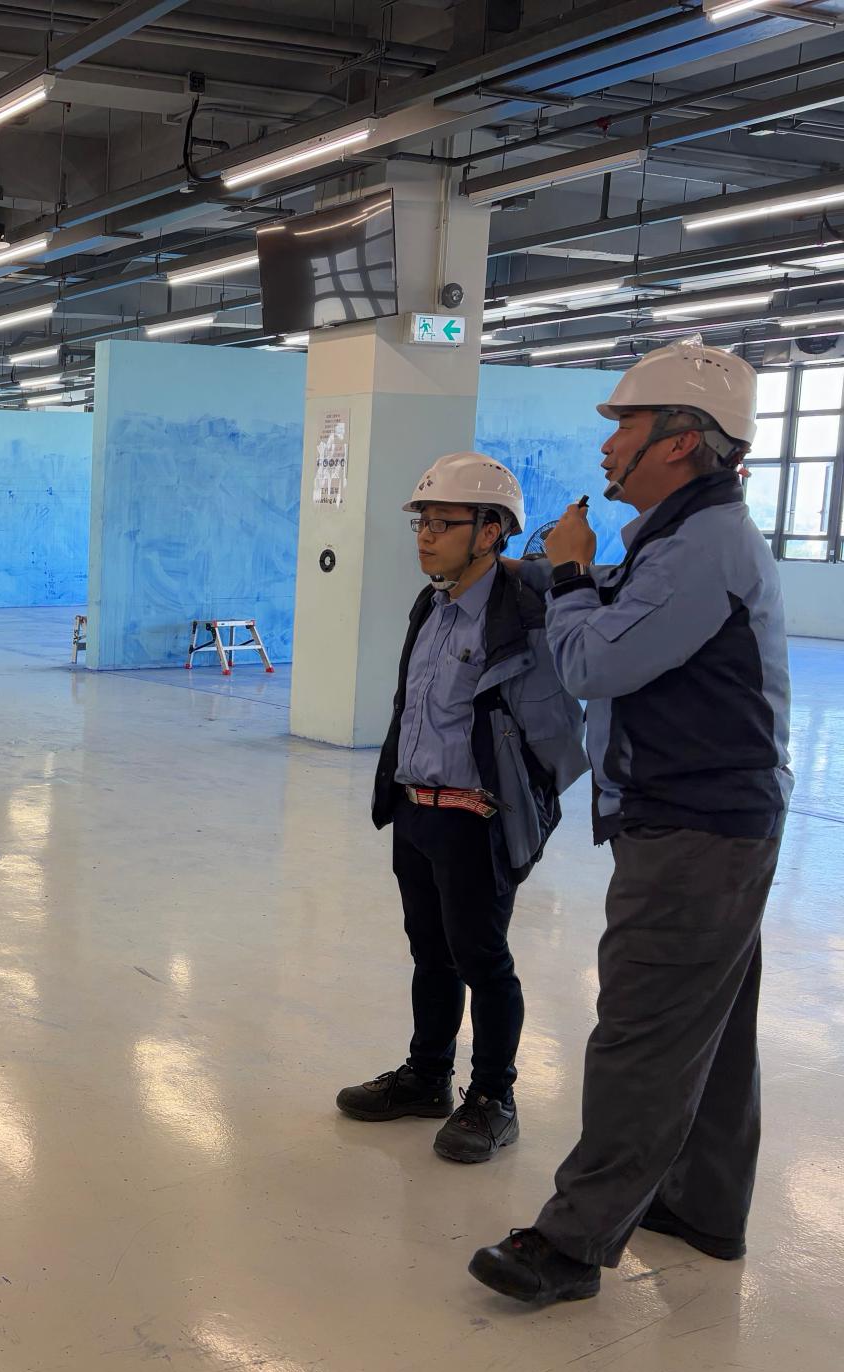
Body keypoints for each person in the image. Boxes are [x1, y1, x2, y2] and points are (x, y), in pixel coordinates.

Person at [471, 337, 790, 1305]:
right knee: (710, 1023)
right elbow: (630, 611)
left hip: (695, 826)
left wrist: (572, 577)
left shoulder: (704, 545)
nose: (608, 447)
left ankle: (571, 1242)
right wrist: (565, 579)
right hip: (716, 819)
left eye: (625, 427)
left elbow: (595, 664)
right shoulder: (686, 536)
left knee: (642, 1030)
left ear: (683, 440)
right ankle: (701, 1205)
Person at [338, 454, 586, 1162]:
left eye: (443, 524)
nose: (425, 536)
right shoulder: (432, 606)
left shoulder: (524, 616)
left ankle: (494, 1098)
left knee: (482, 959)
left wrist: (519, 804)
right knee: (431, 953)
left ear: (491, 531)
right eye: (421, 522)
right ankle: (427, 1077)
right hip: (417, 809)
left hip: (476, 819)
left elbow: (560, 725)